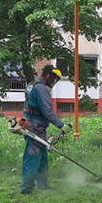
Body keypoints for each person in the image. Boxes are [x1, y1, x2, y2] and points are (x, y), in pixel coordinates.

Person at [21, 65, 72, 194]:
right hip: (35, 127)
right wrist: (61, 125)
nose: (54, 83)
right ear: (48, 75)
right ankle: (26, 189)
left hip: (33, 124)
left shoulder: (31, 85)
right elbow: (47, 112)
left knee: (42, 157)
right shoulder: (41, 89)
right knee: (32, 157)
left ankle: (42, 185)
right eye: (54, 79)